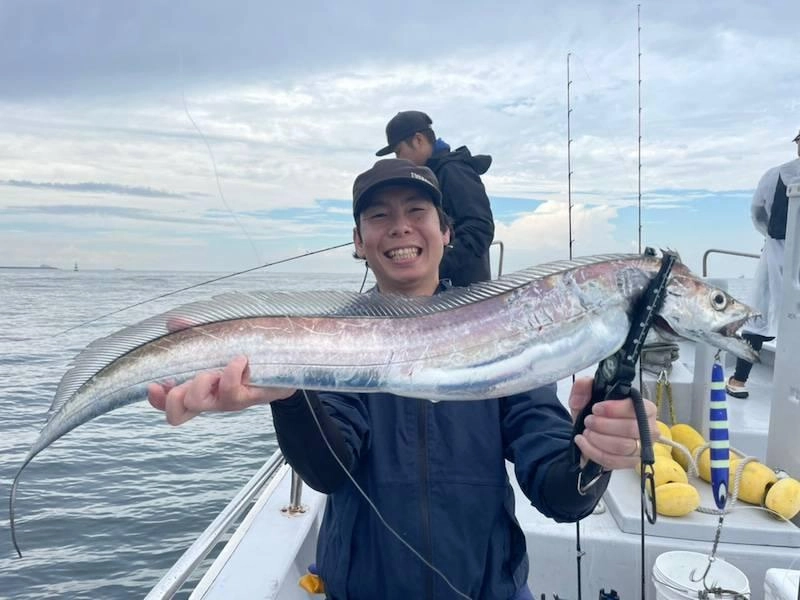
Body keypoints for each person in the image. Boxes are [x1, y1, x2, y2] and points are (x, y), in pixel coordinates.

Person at [148, 158, 657, 599]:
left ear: (447, 232)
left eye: (417, 211)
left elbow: (558, 494)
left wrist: (593, 452)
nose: (400, 227)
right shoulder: (332, 342)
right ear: (358, 241)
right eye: (378, 215)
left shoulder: (505, 335)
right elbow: (329, 470)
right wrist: (290, 393)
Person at [376, 110, 495, 287]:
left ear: (418, 140)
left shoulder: (452, 170)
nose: (398, 160)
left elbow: (480, 228)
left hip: (462, 293)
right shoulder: (428, 176)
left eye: (399, 152)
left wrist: (430, 266)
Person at [726, 129, 800, 398]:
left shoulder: (774, 176)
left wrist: (772, 238)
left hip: (777, 254)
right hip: (780, 252)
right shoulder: (776, 174)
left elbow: (758, 212)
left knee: (760, 317)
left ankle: (738, 380)